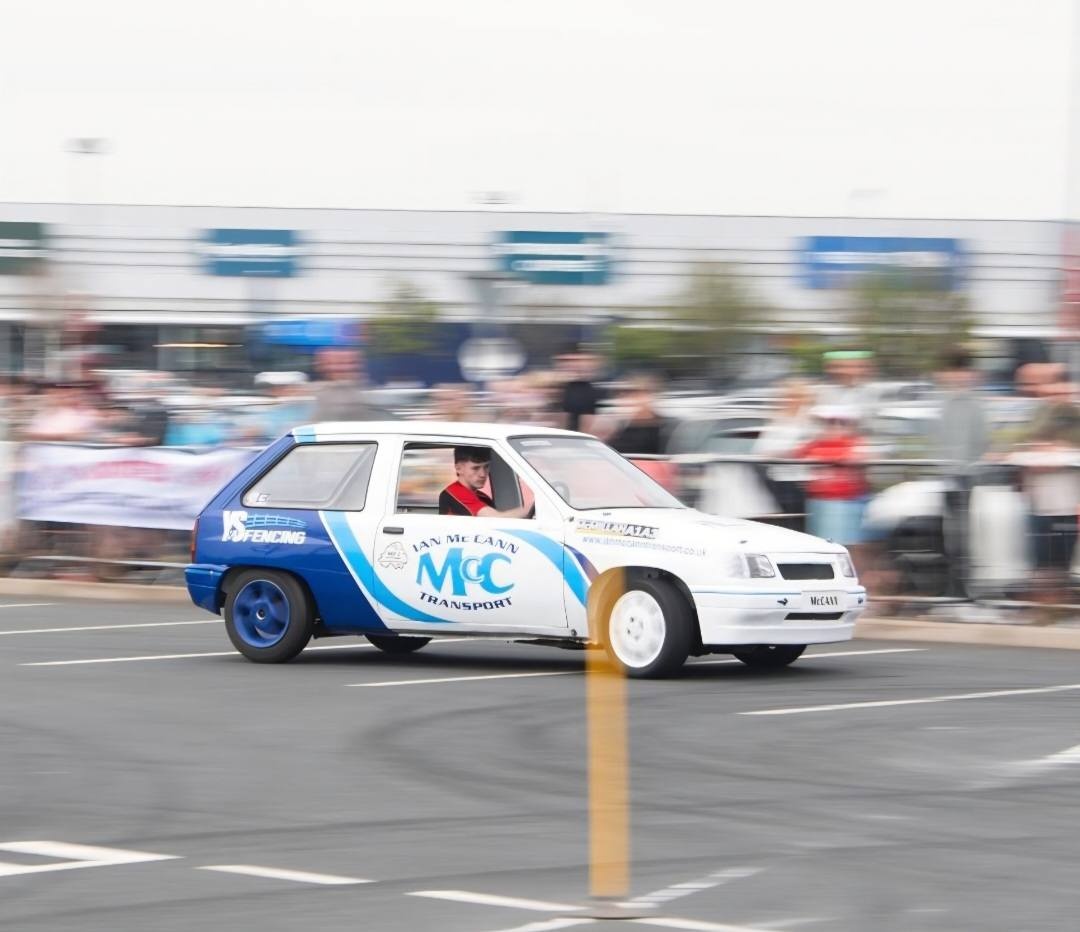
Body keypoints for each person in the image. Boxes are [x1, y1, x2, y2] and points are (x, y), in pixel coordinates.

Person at [932, 349, 989, 597]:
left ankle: (963, 590)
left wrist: (967, 468)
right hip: (944, 478)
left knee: (963, 537)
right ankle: (952, 588)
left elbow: (981, 442)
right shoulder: (940, 403)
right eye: (953, 371)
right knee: (947, 536)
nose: (957, 376)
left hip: (966, 479)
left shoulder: (975, 405)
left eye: (961, 371)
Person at [438, 446, 533, 518]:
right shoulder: (456, 492)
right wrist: (534, 507)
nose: (483, 474)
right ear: (458, 468)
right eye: (475, 468)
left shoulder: (483, 497)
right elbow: (497, 519)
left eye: (486, 467)